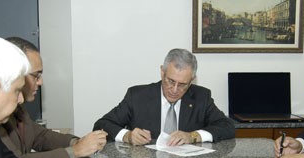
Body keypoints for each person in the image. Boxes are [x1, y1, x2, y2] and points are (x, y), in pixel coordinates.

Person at [0, 37, 107, 158]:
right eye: (36, 76)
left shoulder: (18, 108)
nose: (40, 82)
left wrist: (77, 142)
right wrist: (76, 151)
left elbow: (41, 136)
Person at [93, 48, 235, 146]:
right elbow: (101, 125)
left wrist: (192, 136)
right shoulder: (137, 96)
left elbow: (228, 127)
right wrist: (127, 136)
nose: (174, 90)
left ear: (192, 80)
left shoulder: (201, 97)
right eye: (171, 81)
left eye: (182, 85)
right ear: (162, 72)